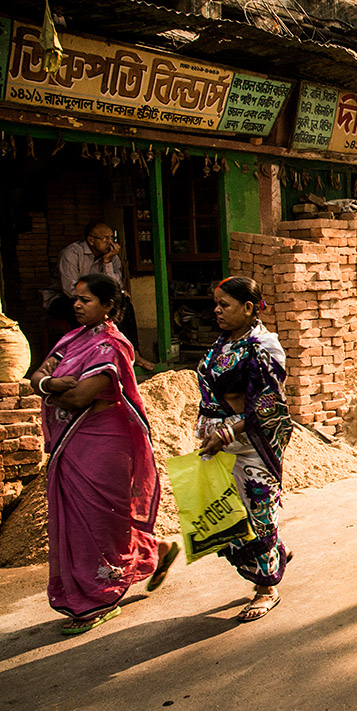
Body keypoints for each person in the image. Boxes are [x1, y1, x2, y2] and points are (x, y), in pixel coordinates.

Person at [30, 273, 177, 635]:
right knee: (78, 523)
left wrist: (49, 388)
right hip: (72, 443)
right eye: (75, 299)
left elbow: (82, 396)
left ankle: (100, 597)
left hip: (104, 443)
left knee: (101, 521)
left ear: (108, 305)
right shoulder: (72, 338)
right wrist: (49, 384)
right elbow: (38, 376)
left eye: (86, 300)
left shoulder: (112, 345)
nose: (77, 305)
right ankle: (154, 552)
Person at [197, 276, 294, 621]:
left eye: (225, 304)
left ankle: (266, 588)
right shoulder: (221, 345)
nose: (217, 310)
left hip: (254, 441)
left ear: (248, 308)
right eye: (216, 304)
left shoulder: (264, 347)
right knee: (230, 517)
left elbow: (266, 406)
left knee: (260, 514)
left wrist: (226, 432)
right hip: (222, 441)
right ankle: (274, 555)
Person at [48, 222, 155, 370]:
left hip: (95, 299)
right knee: (81, 311)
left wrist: (107, 262)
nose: (110, 243)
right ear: (91, 240)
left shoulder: (112, 257)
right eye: (105, 239)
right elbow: (70, 289)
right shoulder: (71, 254)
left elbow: (115, 287)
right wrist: (95, 298)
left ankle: (133, 353)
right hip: (63, 299)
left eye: (112, 238)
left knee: (124, 304)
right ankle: (87, 359)